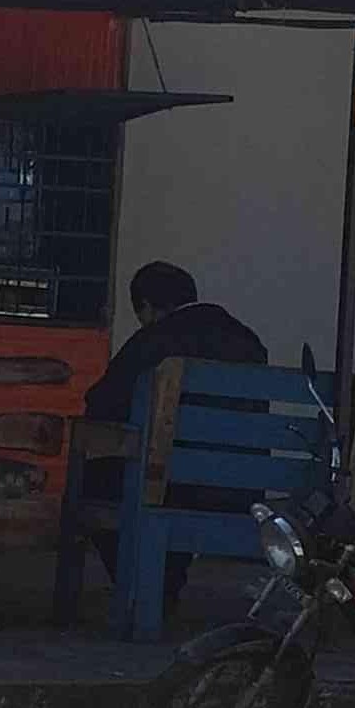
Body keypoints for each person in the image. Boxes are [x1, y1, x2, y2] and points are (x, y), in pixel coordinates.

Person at [63, 261, 269, 619]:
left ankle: (149, 586)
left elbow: (101, 405)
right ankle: (164, 584)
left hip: (169, 486)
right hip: (239, 491)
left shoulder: (155, 340)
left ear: (146, 306)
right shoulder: (250, 342)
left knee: (98, 482)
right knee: (169, 473)